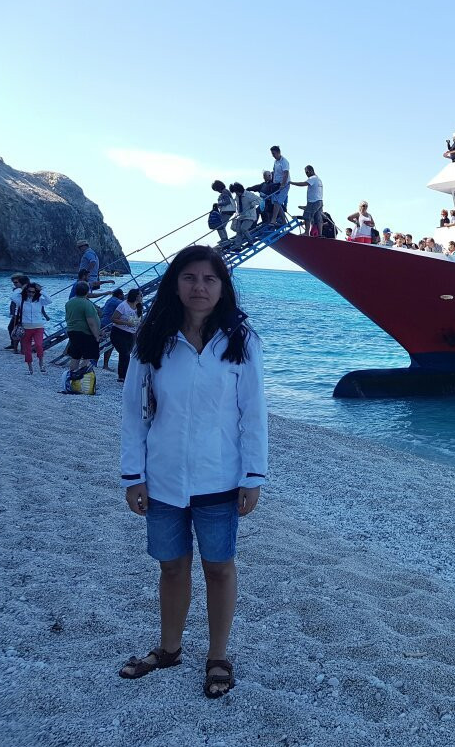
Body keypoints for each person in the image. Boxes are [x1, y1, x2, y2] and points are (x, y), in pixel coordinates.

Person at [118, 245, 267, 700]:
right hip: (161, 477)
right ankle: (169, 649)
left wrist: (254, 475)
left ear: (222, 287)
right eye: (189, 278)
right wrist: (132, 475)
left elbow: (253, 413)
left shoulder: (242, 339)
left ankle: (218, 655)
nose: (199, 287)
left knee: (219, 567)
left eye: (209, 279)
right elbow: (132, 411)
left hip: (221, 477)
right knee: (172, 566)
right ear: (175, 283)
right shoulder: (154, 338)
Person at [65, 281, 103, 372]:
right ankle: (81, 375)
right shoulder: (87, 304)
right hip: (85, 333)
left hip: (72, 331)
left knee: (75, 356)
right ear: (87, 292)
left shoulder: (69, 302)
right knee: (88, 357)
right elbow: (91, 322)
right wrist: (97, 335)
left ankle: (72, 375)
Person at [17, 282, 51, 374]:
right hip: (26, 327)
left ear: (36, 292)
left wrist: (41, 290)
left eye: (33, 292)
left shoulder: (39, 300)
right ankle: (30, 368)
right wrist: (22, 288)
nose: (31, 293)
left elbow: (49, 300)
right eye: (29, 291)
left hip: (38, 327)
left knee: (39, 345)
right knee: (27, 349)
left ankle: (41, 364)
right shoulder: (21, 300)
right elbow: (12, 296)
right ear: (26, 291)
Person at [110, 288, 142, 382]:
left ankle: (124, 375)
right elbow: (113, 318)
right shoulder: (123, 305)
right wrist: (126, 323)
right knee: (125, 353)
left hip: (131, 334)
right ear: (135, 296)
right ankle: (123, 376)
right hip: (119, 332)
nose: (142, 297)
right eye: (140, 295)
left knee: (127, 354)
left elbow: (140, 321)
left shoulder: (139, 306)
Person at [289, 165, 323, 236]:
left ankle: (306, 233)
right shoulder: (318, 179)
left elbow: (303, 184)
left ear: (311, 171)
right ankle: (320, 234)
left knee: (307, 216)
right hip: (319, 201)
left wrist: (292, 183)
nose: (306, 174)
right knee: (318, 218)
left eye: (307, 172)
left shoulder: (312, 178)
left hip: (313, 201)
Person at [228, 183, 260, 250]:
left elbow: (260, 200)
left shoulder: (249, 195)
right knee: (238, 231)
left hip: (249, 216)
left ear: (240, 190)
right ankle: (237, 246)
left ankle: (251, 242)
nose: (236, 193)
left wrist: (254, 203)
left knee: (243, 229)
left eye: (237, 192)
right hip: (241, 216)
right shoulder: (237, 196)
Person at [100, 288, 126, 370]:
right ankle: (105, 365)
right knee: (110, 344)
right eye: (123, 295)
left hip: (102, 322)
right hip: (109, 324)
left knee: (100, 343)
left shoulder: (109, 300)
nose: (124, 296)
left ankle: (94, 362)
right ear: (119, 295)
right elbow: (126, 307)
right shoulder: (117, 301)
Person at [268, 146, 290, 225]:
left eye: (273, 153)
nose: (273, 155)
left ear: (278, 152)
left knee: (277, 202)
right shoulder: (275, 162)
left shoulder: (284, 161)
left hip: (283, 184)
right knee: (276, 202)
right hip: (276, 184)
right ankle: (284, 221)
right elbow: (274, 172)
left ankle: (273, 220)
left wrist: (283, 184)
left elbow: (286, 173)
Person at [6, 274, 30, 350]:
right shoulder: (17, 290)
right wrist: (12, 312)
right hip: (16, 313)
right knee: (12, 328)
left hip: (21, 313)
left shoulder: (25, 290)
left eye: (16, 282)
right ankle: (13, 344)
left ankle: (16, 345)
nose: (15, 284)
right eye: (14, 282)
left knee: (16, 329)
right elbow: (13, 302)